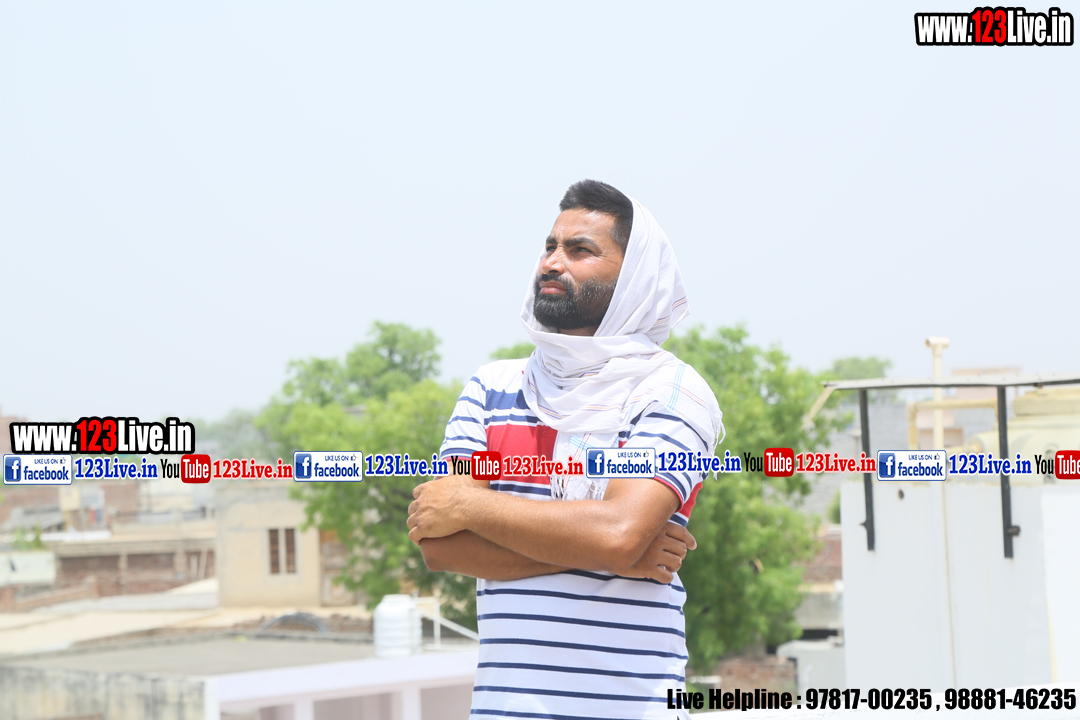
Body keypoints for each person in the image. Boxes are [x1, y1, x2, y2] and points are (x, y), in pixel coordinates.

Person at [407, 179, 723, 719]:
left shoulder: (671, 391)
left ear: (633, 277)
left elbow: (618, 533)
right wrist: (603, 552)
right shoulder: (492, 388)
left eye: (580, 250)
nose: (553, 262)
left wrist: (471, 505)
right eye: (550, 246)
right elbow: (442, 547)